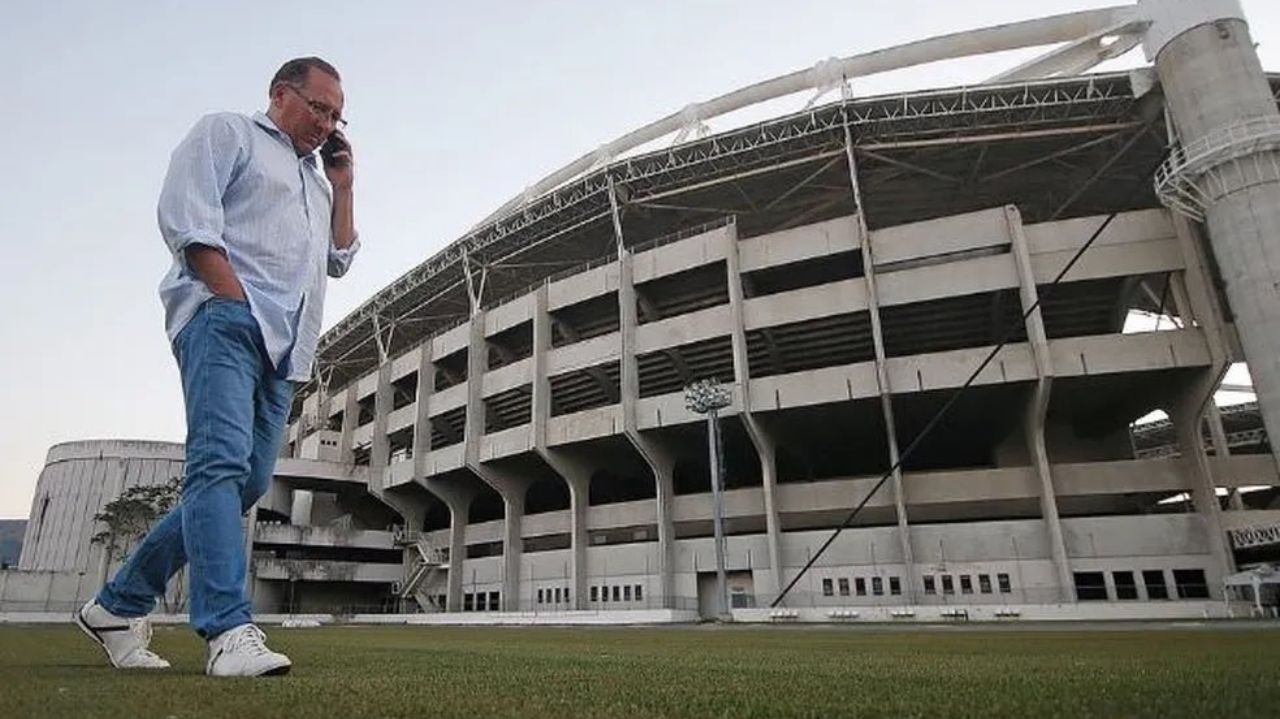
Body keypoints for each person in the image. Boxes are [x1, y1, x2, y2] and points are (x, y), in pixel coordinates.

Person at [74, 57, 359, 677]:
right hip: (225, 320)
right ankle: (228, 629)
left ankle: (117, 605)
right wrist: (231, 300)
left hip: (287, 349)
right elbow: (187, 217)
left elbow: (339, 259)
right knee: (220, 465)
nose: (326, 122)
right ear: (281, 93)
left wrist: (343, 182)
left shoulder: (316, 179)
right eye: (318, 107)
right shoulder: (227, 133)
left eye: (336, 115)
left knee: (247, 483)